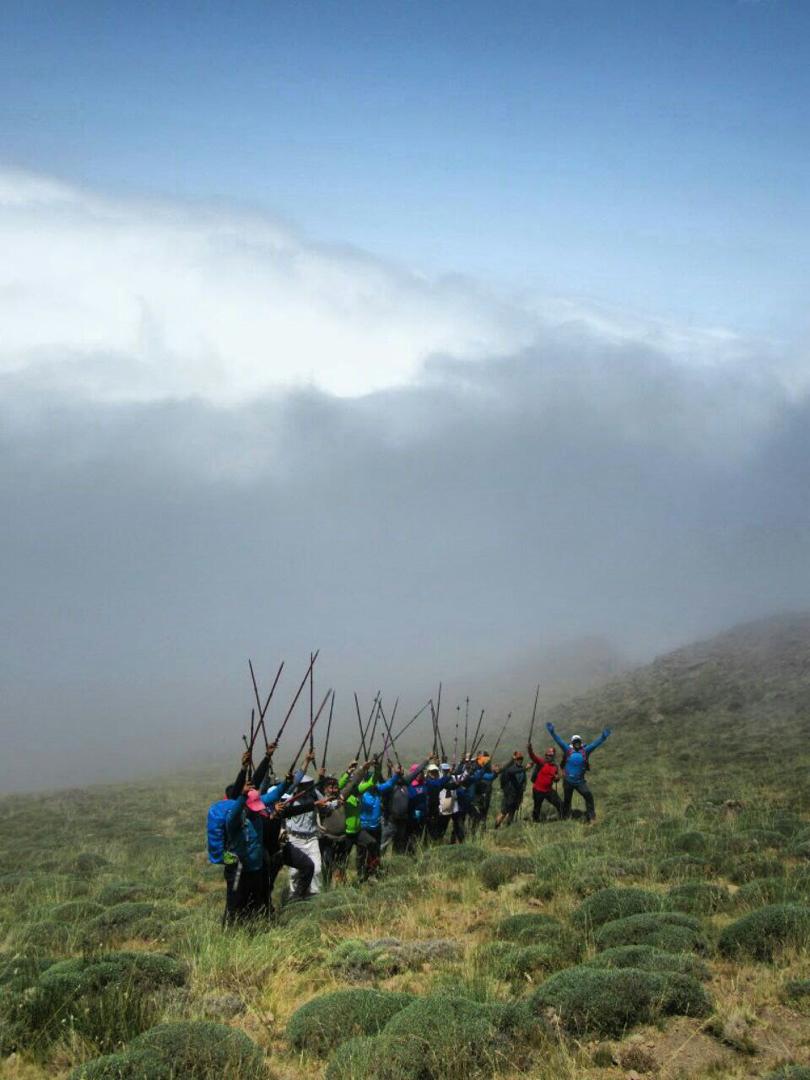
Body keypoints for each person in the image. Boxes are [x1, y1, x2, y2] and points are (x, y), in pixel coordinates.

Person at [546, 722, 612, 823]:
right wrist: (552, 732)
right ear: (572, 743)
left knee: (588, 796)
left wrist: (603, 737)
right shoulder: (568, 750)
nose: (577, 743)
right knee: (567, 800)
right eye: (575, 742)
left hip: (580, 782)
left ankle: (592, 817)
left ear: (580, 743)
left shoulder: (585, 751)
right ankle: (565, 817)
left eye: (578, 742)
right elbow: (559, 741)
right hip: (568, 781)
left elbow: (595, 744)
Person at [527, 744, 562, 822]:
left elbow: (556, 779)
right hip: (538, 790)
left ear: (553, 757)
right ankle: (535, 821)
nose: (548, 757)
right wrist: (530, 749)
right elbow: (533, 757)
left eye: (550, 755)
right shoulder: (542, 762)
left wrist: (557, 778)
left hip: (548, 790)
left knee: (559, 803)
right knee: (537, 807)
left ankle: (563, 816)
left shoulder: (555, 766)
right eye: (547, 755)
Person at [494, 751, 527, 828]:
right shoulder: (510, 769)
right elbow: (512, 772)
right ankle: (496, 827)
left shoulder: (522, 769)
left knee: (512, 811)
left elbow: (524, 780)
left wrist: (524, 787)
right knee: (504, 812)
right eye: (518, 759)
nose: (519, 760)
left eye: (521, 759)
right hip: (509, 794)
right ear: (515, 760)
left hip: (518, 794)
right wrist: (525, 768)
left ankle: (508, 827)